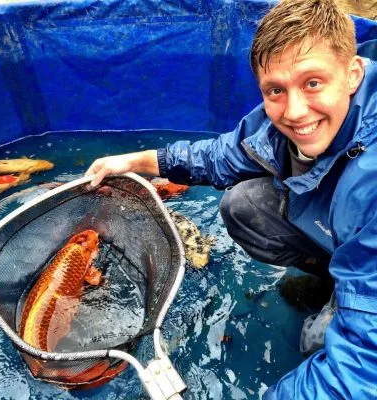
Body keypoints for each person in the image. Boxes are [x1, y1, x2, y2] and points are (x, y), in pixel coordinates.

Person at [86, 0, 377, 398]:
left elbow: (362, 368)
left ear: (353, 74)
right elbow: (224, 154)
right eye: (276, 89)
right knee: (242, 206)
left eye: (313, 83)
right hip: (348, 231)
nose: (294, 111)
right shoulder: (283, 123)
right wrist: (134, 160)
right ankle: (333, 273)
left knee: (318, 343)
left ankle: (347, 292)